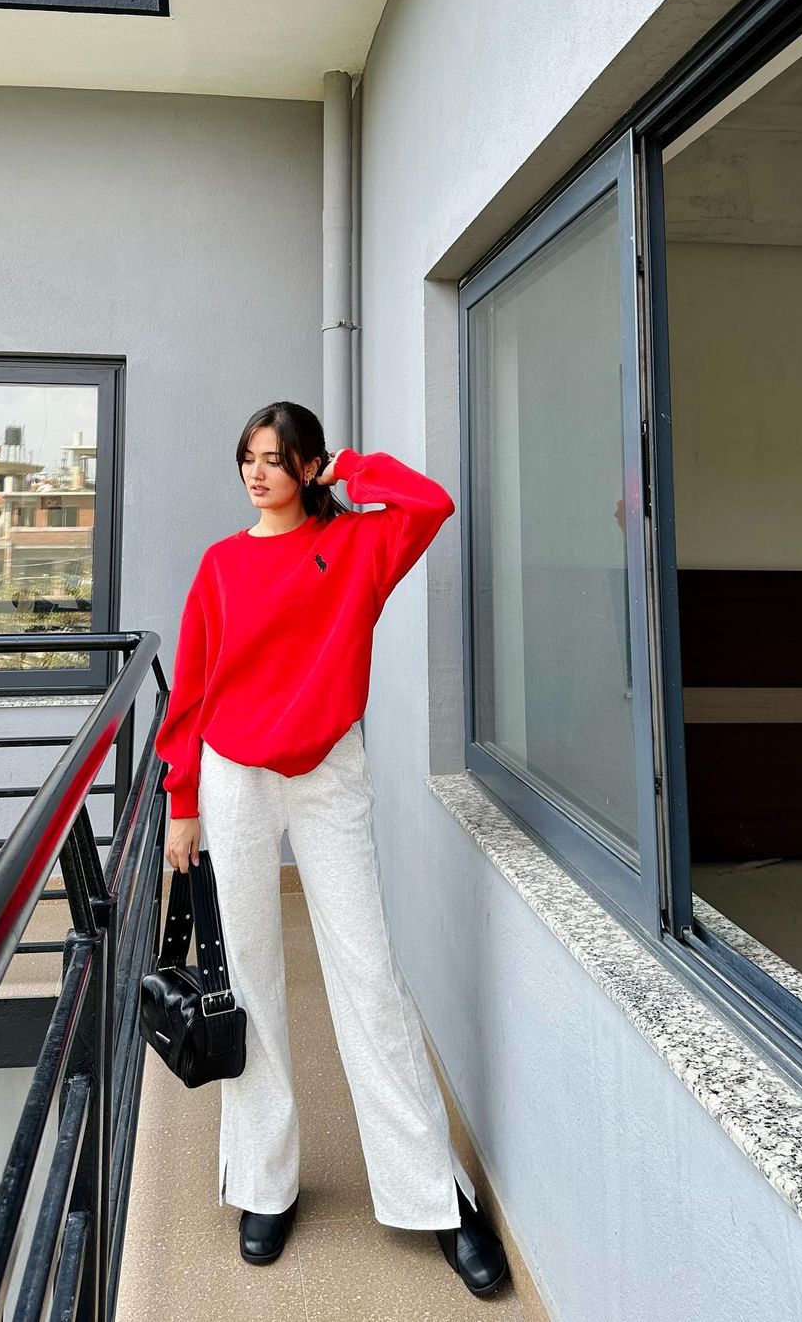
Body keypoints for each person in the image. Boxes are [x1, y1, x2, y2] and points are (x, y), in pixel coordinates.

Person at [154, 401, 508, 1298]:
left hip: (327, 773)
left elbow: (427, 504)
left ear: (307, 467)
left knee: (368, 975)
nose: (258, 472)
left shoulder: (356, 549)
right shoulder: (222, 563)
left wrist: (345, 463)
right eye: (248, 457)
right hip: (233, 776)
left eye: (277, 458)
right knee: (252, 977)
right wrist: (182, 800)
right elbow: (191, 686)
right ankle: (264, 1185)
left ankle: (434, 1194)